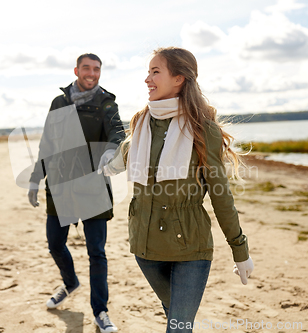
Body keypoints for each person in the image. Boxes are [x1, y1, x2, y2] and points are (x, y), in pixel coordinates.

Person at [102, 47, 254, 333]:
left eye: (155, 72)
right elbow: (119, 159)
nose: (147, 79)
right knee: (177, 318)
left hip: (190, 247)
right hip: (144, 244)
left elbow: (221, 195)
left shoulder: (203, 130)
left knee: (179, 327)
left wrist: (240, 249)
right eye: (148, 72)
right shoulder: (141, 122)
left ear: (179, 78)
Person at [28, 53, 124, 333]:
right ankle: (70, 283)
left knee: (97, 252)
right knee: (55, 244)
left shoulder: (106, 102)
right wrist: (35, 179)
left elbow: (118, 131)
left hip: (93, 187)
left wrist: (110, 150)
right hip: (59, 186)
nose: (92, 73)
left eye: (96, 69)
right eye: (87, 68)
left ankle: (101, 311)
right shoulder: (59, 102)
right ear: (76, 70)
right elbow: (47, 143)